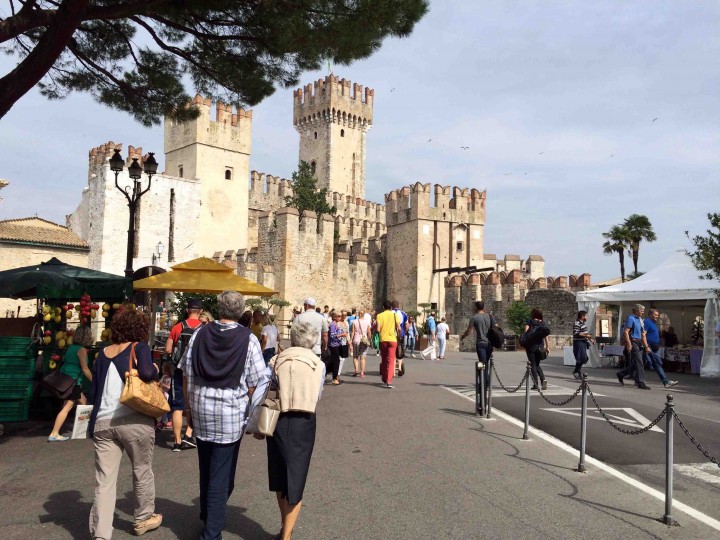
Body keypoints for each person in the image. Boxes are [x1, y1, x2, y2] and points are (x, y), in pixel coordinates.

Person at [180, 290, 271, 540]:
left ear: (219, 309)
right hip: (230, 415)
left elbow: (186, 373)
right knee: (221, 476)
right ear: (241, 312)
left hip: (201, 410)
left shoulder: (200, 333)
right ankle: (211, 532)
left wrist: (188, 408)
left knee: (206, 468)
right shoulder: (247, 339)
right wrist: (254, 414)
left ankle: (208, 516)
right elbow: (256, 383)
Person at [88, 309, 162, 539]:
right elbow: (148, 373)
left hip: (103, 421)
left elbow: (94, 390)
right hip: (134, 419)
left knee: (105, 479)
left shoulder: (102, 353)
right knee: (141, 470)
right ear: (140, 329)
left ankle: (101, 532)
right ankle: (143, 518)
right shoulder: (138, 347)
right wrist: (156, 371)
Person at [257, 321, 325, 540]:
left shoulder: (276, 360)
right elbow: (318, 395)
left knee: (279, 476)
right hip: (303, 422)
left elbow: (263, 391)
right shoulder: (318, 364)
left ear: (293, 337)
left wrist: (254, 423)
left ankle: (284, 526)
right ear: (312, 341)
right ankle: (286, 535)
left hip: (277, 418)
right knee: (296, 478)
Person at [165, 298, 203, 451]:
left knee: (177, 406)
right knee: (195, 404)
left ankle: (177, 442)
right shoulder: (205, 329)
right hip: (197, 372)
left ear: (187, 310)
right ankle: (189, 434)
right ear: (200, 311)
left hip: (179, 371)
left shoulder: (177, 327)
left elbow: (168, 350)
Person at [48, 325, 94, 441]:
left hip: (66, 381)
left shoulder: (71, 347)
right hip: (73, 383)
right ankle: (54, 433)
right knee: (67, 408)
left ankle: (84, 430)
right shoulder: (82, 350)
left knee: (83, 403)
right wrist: (95, 381)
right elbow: (85, 369)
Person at [460, 301, 497, 389]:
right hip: (489, 344)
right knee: (486, 363)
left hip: (481, 343)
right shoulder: (490, 316)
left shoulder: (474, 318)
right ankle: (486, 382)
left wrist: (463, 336)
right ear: (483, 308)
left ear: (476, 308)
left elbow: (469, 331)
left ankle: (483, 383)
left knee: (482, 363)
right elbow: (496, 326)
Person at [617, 304, 650, 390]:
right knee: (639, 362)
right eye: (641, 310)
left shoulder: (640, 320)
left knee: (639, 362)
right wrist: (628, 343)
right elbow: (626, 331)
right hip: (633, 341)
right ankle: (640, 382)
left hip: (639, 342)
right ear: (636, 310)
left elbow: (643, 334)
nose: (643, 312)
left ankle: (622, 373)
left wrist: (646, 346)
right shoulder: (631, 318)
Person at [644, 309, 678, 388]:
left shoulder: (653, 323)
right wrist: (646, 346)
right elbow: (643, 335)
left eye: (658, 315)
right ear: (650, 315)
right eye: (656, 315)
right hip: (649, 345)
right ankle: (666, 381)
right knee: (657, 362)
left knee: (639, 363)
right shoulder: (647, 322)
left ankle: (623, 373)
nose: (657, 316)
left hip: (653, 346)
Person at [376, 300, 401, 389]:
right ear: (391, 307)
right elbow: (399, 328)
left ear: (383, 307)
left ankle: (384, 377)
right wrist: (398, 336)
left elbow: (378, 329)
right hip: (392, 340)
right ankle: (389, 381)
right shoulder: (395, 315)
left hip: (383, 340)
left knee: (384, 359)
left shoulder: (379, 315)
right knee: (391, 361)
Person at [525, 308, 550, 390]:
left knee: (533, 364)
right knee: (537, 364)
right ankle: (543, 380)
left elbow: (526, 332)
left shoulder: (530, 321)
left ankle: (535, 383)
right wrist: (547, 347)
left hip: (531, 345)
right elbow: (546, 336)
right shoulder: (542, 323)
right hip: (540, 346)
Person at [327, 311, 348, 385]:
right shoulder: (333, 324)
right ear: (335, 317)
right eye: (339, 316)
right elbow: (332, 335)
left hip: (337, 344)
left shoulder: (336, 324)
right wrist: (342, 334)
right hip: (333, 345)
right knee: (336, 361)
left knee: (334, 361)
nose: (340, 317)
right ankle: (335, 378)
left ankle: (332, 375)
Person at [572, 310, 593, 380]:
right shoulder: (577, 323)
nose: (587, 317)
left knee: (584, 358)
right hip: (578, 343)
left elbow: (586, 334)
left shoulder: (583, 324)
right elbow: (576, 333)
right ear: (582, 316)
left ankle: (576, 371)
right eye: (586, 316)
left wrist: (591, 339)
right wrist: (587, 335)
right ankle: (577, 371)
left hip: (583, 342)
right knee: (581, 358)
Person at [351, 309, 371, 378]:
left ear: (358, 314)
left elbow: (353, 332)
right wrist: (369, 340)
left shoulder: (354, 321)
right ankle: (362, 372)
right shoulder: (367, 322)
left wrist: (351, 340)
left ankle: (356, 370)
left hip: (356, 340)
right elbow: (369, 332)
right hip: (364, 340)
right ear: (364, 315)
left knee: (355, 356)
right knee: (363, 357)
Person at [157, 362, 173, 430]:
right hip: (162, 393)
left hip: (166, 394)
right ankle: (163, 420)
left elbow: (169, 387)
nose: (162, 370)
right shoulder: (163, 376)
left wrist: (163, 385)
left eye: (163, 369)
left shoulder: (169, 378)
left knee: (166, 408)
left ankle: (166, 420)